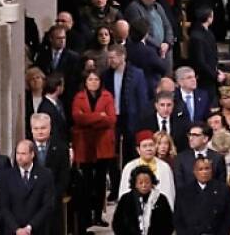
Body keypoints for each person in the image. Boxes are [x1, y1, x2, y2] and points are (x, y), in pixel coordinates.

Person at [71, 70, 116, 227]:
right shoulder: (79, 97)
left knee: (100, 182)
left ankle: (98, 215)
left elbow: (111, 120)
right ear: (85, 81)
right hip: (85, 145)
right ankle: (86, 216)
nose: (93, 82)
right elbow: (77, 118)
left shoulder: (107, 96)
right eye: (90, 79)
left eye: (96, 79)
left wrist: (89, 119)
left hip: (102, 144)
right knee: (87, 182)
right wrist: (99, 116)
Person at [0, 140, 56, 235]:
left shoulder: (45, 175)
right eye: (18, 153)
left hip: (38, 229)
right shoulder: (6, 176)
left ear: (32, 154)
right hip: (13, 230)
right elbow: (3, 207)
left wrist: (29, 227)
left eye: (23, 154)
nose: (19, 157)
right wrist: (17, 229)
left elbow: (48, 205)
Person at [173, 158, 230, 235]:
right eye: (200, 169)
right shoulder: (183, 192)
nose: (204, 172)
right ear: (194, 172)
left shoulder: (224, 190)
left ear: (211, 171)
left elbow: (229, 216)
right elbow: (178, 219)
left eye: (207, 168)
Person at [113, 165, 174, 235]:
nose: (144, 185)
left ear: (152, 183)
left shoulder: (161, 199)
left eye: (147, 182)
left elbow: (169, 224)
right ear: (135, 184)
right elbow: (117, 224)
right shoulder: (126, 199)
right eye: (140, 183)